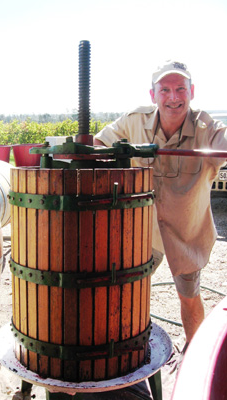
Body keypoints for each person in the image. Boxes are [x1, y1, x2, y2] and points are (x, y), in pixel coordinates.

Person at [94, 60, 227, 351]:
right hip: (144, 233)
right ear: (153, 95)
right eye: (165, 89)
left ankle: (193, 354)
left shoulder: (207, 128)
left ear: (191, 92)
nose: (173, 96)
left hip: (188, 234)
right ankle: (126, 349)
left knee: (189, 298)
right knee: (127, 293)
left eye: (181, 88)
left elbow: (224, 142)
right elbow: (98, 146)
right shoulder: (133, 121)